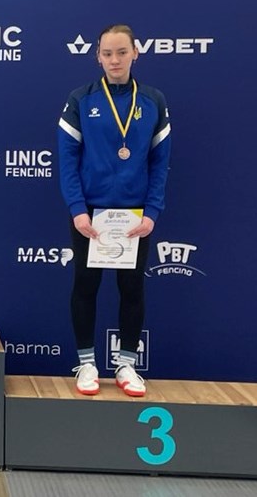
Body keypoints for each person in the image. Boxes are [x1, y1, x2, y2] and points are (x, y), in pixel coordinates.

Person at [57, 24, 171, 397]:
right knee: (85, 285)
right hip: (90, 214)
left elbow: (160, 162)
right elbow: (67, 160)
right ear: (98, 57)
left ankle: (126, 365)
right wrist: (77, 209)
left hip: (135, 216)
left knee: (132, 288)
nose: (115, 60)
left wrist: (152, 211)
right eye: (107, 53)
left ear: (135, 52)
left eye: (122, 52)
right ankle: (87, 364)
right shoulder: (81, 99)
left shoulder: (152, 100)